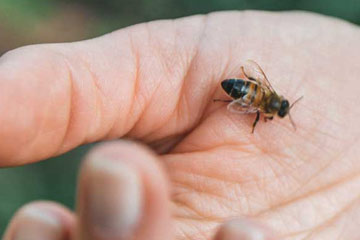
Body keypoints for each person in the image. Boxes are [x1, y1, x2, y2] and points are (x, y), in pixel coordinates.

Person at [2, 10, 360, 240]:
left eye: (279, 110)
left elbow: (256, 87)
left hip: (240, 88)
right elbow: (253, 104)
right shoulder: (263, 107)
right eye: (279, 110)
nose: (276, 110)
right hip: (237, 92)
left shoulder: (264, 94)